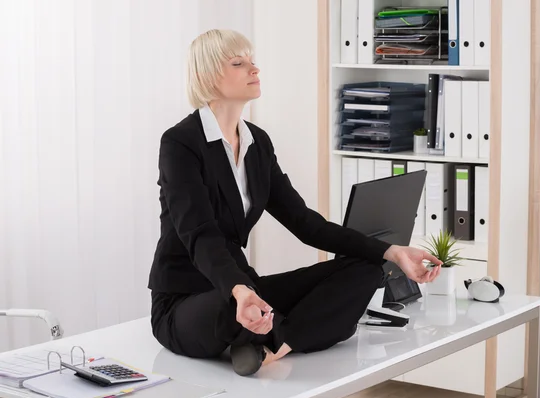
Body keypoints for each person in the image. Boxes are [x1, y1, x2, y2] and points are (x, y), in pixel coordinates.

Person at [148, 29, 442, 377]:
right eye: (239, 63)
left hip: (245, 288)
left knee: (366, 268)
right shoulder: (180, 143)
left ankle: (276, 342)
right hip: (186, 300)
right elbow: (199, 234)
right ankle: (290, 331)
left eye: (253, 61)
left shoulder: (257, 142)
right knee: (236, 308)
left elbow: (305, 222)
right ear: (208, 76)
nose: (254, 70)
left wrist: (392, 251)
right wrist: (240, 291)